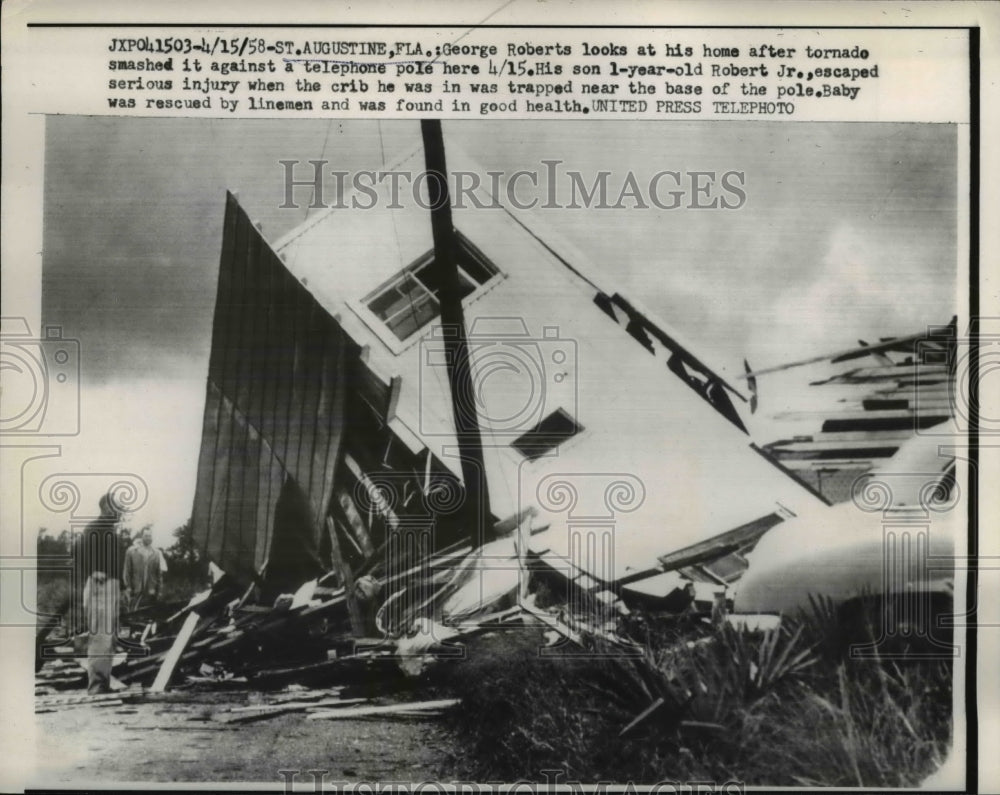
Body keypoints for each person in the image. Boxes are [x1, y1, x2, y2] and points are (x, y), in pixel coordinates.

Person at [77, 491, 125, 694]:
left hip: (112, 586)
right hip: (100, 586)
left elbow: (117, 563)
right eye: (117, 508)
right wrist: (93, 571)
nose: (121, 512)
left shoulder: (112, 532)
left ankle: (102, 684)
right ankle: (97, 688)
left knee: (109, 638)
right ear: (106, 508)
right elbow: (78, 552)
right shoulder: (93, 529)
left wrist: (123, 587)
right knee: (100, 638)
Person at [123, 526, 162, 613]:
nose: (148, 538)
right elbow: (127, 571)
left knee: (149, 615)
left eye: (150, 536)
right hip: (136, 590)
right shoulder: (131, 551)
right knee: (133, 614)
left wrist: (159, 591)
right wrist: (128, 587)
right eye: (146, 536)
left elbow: (159, 574)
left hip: (151, 592)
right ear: (141, 536)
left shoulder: (156, 553)